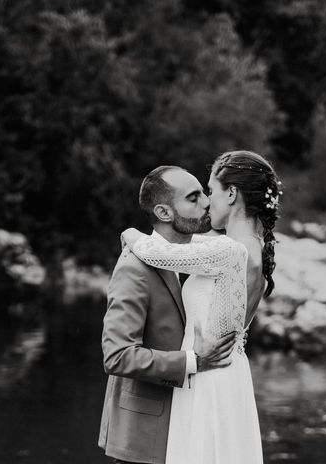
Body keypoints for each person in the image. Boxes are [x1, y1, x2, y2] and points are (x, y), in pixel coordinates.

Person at [121, 150, 281, 464]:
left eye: (210, 190)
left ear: (232, 193)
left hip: (207, 377)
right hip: (229, 374)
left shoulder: (229, 251)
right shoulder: (251, 248)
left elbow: (155, 252)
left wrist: (129, 234)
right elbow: (194, 244)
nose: (207, 201)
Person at [98, 165, 239, 464]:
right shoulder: (133, 268)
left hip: (190, 423)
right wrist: (194, 361)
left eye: (204, 193)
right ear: (163, 212)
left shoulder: (200, 258)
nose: (206, 202)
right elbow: (117, 355)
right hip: (144, 434)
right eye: (193, 198)